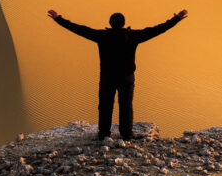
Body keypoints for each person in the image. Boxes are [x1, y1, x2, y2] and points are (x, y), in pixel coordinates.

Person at [47, 8, 188, 140]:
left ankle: (103, 134)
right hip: (126, 77)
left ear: (110, 23)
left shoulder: (102, 35)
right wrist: (176, 19)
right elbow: (157, 30)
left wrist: (58, 19)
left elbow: (79, 29)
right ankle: (126, 134)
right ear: (124, 23)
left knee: (105, 105)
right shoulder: (133, 36)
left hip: (107, 77)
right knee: (126, 105)